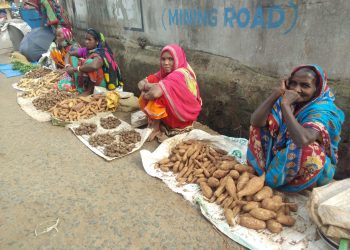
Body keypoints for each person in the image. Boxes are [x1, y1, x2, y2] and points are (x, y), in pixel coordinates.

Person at [247, 64, 344, 192]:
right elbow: (255, 122)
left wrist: (285, 105)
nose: (297, 89)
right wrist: (276, 94)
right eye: (293, 83)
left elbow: (303, 140)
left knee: (307, 150)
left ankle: (273, 183)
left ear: (317, 88)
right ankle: (263, 175)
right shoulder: (288, 99)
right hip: (282, 156)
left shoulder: (324, 110)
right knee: (260, 127)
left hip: (311, 169)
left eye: (305, 85)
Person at [138, 44, 202, 141]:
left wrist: (146, 92)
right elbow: (140, 83)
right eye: (163, 59)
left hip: (183, 118)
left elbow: (155, 93)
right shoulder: (167, 72)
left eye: (170, 59)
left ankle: (155, 128)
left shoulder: (179, 74)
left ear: (177, 59)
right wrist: (150, 85)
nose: (166, 63)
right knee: (156, 82)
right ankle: (157, 123)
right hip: (177, 110)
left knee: (160, 93)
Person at [56, 28, 122, 95]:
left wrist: (77, 69)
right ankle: (79, 84)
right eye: (86, 39)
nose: (86, 42)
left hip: (103, 83)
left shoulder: (102, 52)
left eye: (89, 40)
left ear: (97, 42)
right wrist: (67, 66)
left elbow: (94, 66)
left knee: (89, 62)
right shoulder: (86, 50)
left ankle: (89, 91)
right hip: (90, 79)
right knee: (73, 58)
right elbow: (69, 53)